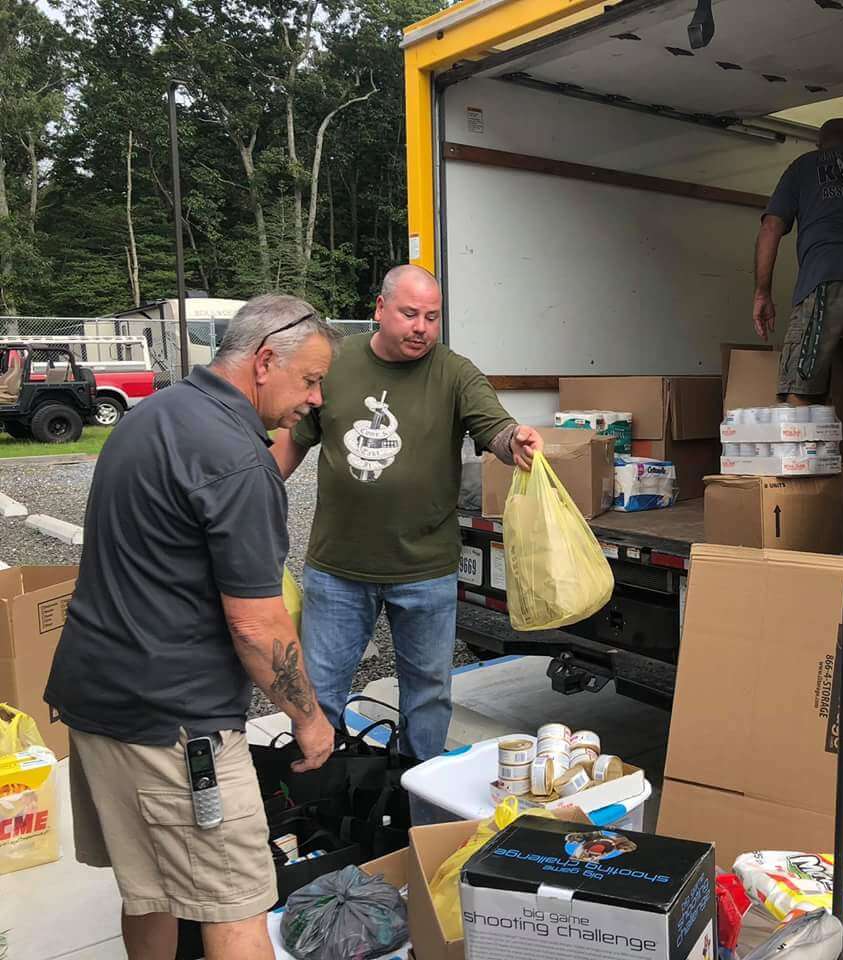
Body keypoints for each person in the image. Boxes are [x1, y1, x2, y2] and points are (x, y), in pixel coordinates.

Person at [43, 296, 341, 960]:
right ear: (265, 362)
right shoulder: (235, 456)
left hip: (97, 701)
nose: (317, 399)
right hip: (177, 725)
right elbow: (257, 622)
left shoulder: (156, 415)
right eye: (311, 380)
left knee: (149, 891)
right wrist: (310, 718)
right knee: (235, 904)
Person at [272, 264, 542, 773]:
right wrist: (248, 495)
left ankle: (417, 793)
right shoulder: (334, 365)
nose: (422, 327)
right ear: (380, 309)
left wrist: (516, 442)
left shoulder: (454, 373)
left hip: (425, 572)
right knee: (320, 691)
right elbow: (291, 443)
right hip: (338, 571)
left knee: (428, 694)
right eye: (410, 313)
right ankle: (318, 794)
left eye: (433, 317)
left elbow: (496, 428)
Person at [753, 117, 843, 411]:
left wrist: (763, 292)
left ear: (819, 143)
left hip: (823, 279)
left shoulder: (804, 166)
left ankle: (798, 456)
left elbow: (770, 228)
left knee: (801, 384)